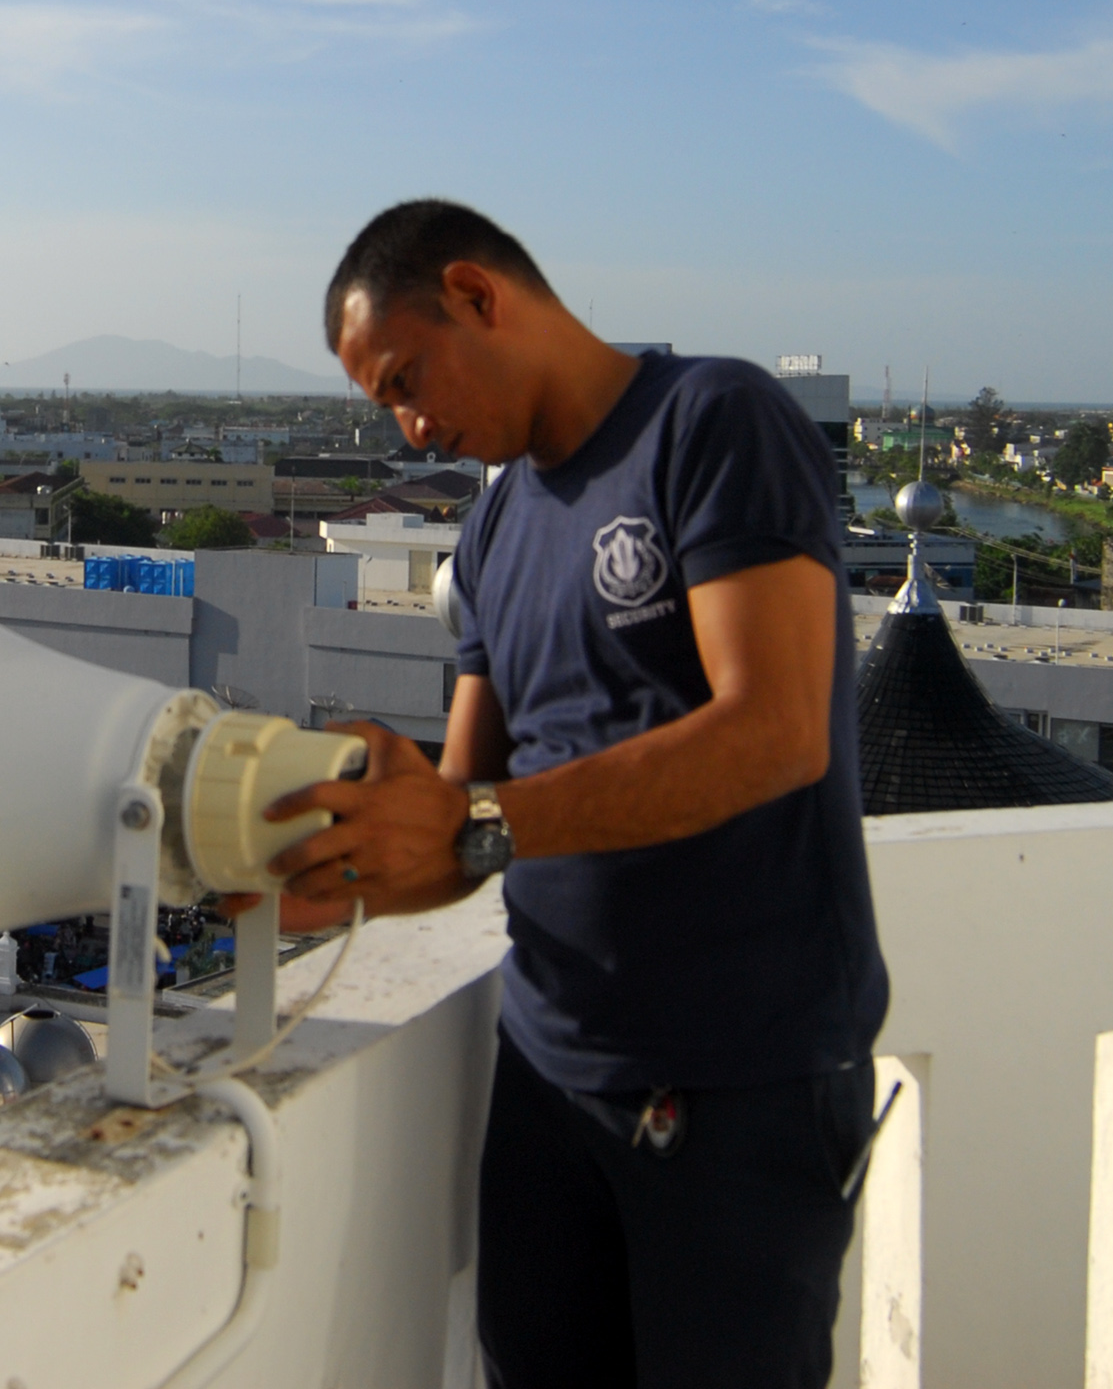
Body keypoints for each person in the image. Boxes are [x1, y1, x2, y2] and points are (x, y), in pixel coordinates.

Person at [269, 198, 889, 1389]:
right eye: (385, 406)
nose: (411, 427)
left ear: (477, 294)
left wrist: (478, 821)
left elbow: (774, 732)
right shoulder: (496, 528)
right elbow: (463, 813)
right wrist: (330, 871)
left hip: (738, 1078)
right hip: (551, 1069)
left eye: (406, 379)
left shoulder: (712, 420)